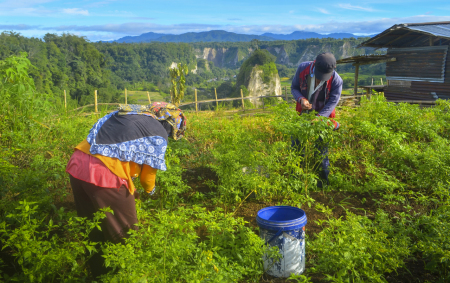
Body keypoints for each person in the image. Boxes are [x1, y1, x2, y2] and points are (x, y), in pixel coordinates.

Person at [66, 102, 186, 278]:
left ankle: (98, 275)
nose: (168, 135)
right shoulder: (158, 133)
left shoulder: (131, 115)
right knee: (126, 234)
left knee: (93, 229)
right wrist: (151, 192)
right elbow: (147, 179)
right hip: (104, 174)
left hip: (78, 165)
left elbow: (121, 154)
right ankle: (127, 276)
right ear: (170, 125)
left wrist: (129, 185)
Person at [291, 52, 343, 187]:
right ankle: (296, 179)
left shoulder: (336, 80)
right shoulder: (303, 69)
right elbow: (294, 87)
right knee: (296, 145)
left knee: (321, 149)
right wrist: (301, 99)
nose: (321, 80)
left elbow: (333, 102)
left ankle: (322, 183)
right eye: (320, 76)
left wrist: (320, 118)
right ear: (314, 65)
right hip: (303, 114)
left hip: (323, 116)